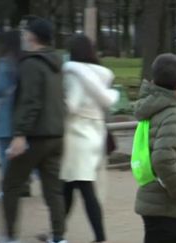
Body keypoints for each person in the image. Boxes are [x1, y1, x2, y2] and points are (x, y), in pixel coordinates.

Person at [0, 17, 67, 243]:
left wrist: (20, 134)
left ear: (33, 36)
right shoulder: (56, 63)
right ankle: (59, 237)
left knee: (11, 185)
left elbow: (31, 101)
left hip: (35, 135)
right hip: (56, 134)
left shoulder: (30, 63)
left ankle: (10, 236)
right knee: (53, 189)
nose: (23, 36)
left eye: (25, 32)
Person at [134, 53, 176, 243]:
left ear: (153, 81)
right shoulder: (173, 115)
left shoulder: (152, 109)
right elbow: (162, 159)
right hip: (166, 206)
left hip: (170, 207)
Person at [59, 34, 119, 243]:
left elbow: (71, 105)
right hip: (95, 135)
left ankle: (97, 236)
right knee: (70, 187)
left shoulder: (74, 74)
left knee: (79, 188)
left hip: (76, 137)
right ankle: (57, 232)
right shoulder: (100, 75)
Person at [0, 31, 21, 202]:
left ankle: (6, 190)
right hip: (19, 115)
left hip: (5, 115)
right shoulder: (22, 62)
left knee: (5, 155)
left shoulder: (4, 64)